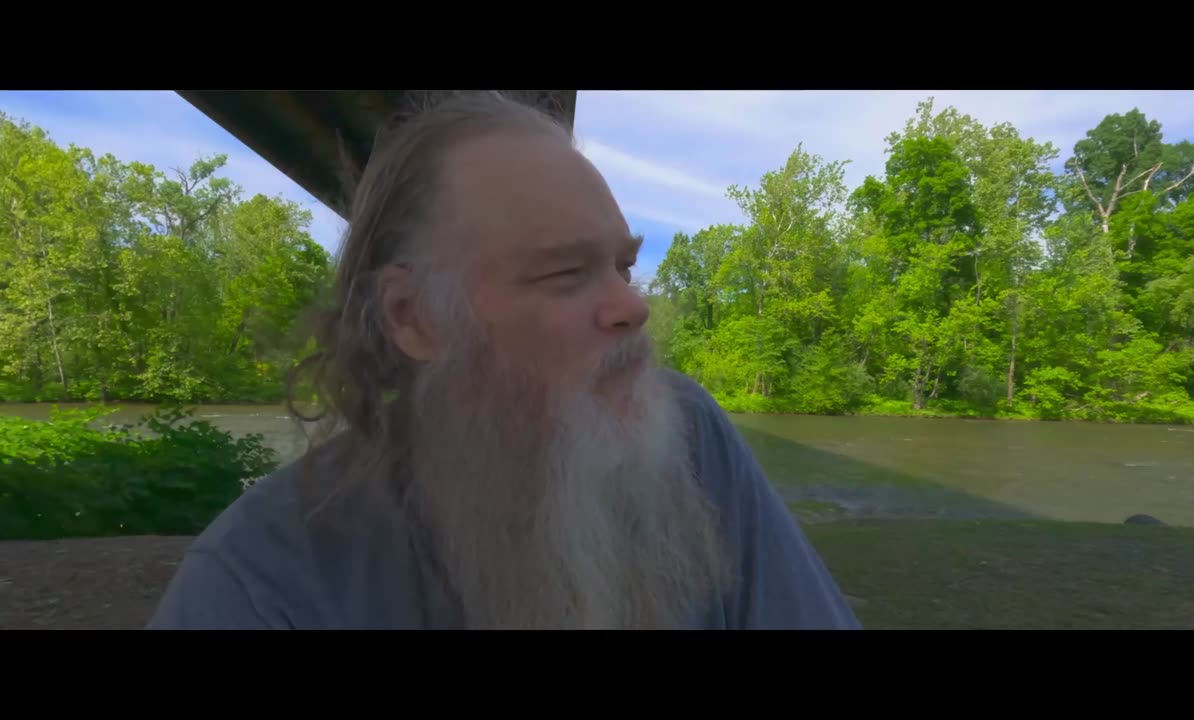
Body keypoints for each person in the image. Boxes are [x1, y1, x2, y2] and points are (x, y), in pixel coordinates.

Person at [146, 91, 861, 630]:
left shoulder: (690, 436)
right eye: (565, 275)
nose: (632, 307)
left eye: (623, 266)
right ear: (412, 317)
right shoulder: (260, 582)